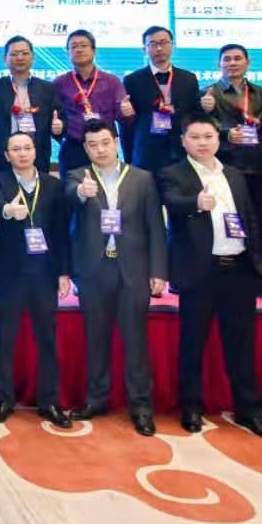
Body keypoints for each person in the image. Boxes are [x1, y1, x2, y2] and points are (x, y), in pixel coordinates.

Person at [161, 118, 262, 439]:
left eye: (208, 136)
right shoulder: (173, 173)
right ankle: (191, 407)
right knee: (192, 344)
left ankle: (249, 410)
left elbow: (250, 219)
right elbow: (172, 202)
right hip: (200, 271)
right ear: (183, 141)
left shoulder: (235, 175)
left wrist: (258, 266)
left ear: (218, 139)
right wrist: (195, 203)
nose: (202, 142)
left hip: (238, 270)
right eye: (195, 137)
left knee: (242, 345)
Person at [66, 119, 168, 435]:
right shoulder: (76, 176)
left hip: (133, 270)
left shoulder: (142, 178)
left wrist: (158, 271)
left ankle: (141, 406)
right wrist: (80, 193)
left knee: (135, 341)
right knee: (96, 339)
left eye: (105, 143)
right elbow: (67, 201)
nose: (100, 149)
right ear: (85, 148)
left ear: (116, 142)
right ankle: (96, 399)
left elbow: (155, 226)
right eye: (92, 145)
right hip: (94, 271)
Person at [0, 131, 71, 425]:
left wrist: (63, 272)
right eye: (16, 149)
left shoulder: (53, 184)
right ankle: (3, 399)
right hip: (9, 272)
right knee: (4, 337)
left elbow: (61, 231)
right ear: (7, 155)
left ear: (35, 151)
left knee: (47, 338)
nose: (22, 153)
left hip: (44, 272)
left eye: (27, 148)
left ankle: (50, 401)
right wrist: (8, 210)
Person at [200, 44, 262, 303]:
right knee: (223, 224)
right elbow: (203, 129)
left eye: (238, 58)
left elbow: (260, 128)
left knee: (257, 224)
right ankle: (221, 278)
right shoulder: (208, 93)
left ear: (248, 63)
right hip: (226, 168)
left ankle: (259, 280)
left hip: (256, 167)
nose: (232, 63)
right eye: (227, 59)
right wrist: (227, 133)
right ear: (218, 64)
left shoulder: (259, 92)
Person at [53, 29, 135, 172]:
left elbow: (125, 120)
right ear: (68, 53)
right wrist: (58, 131)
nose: (79, 50)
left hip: (104, 149)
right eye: (74, 46)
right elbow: (53, 119)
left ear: (94, 51)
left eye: (84, 45)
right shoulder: (59, 83)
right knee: (72, 186)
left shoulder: (112, 81)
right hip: (73, 149)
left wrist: (127, 113)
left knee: (107, 186)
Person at [122, 26, 200, 173]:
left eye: (164, 43)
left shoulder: (188, 79)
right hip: (147, 154)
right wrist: (128, 159)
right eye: (153, 44)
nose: (159, 48)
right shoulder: (132, 80)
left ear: (172, 45)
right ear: (144, 49)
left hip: (181, 152)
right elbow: (127, 126)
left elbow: (195, 116)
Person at [0, 35, 59, 177]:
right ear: (5, 58)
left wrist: (60, 127)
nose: (19, 57)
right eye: (14, 54)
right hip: (1, 160)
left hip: (37, 159)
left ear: (33, 57)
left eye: (24, 53)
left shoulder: (47, 88)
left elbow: (59, 121)